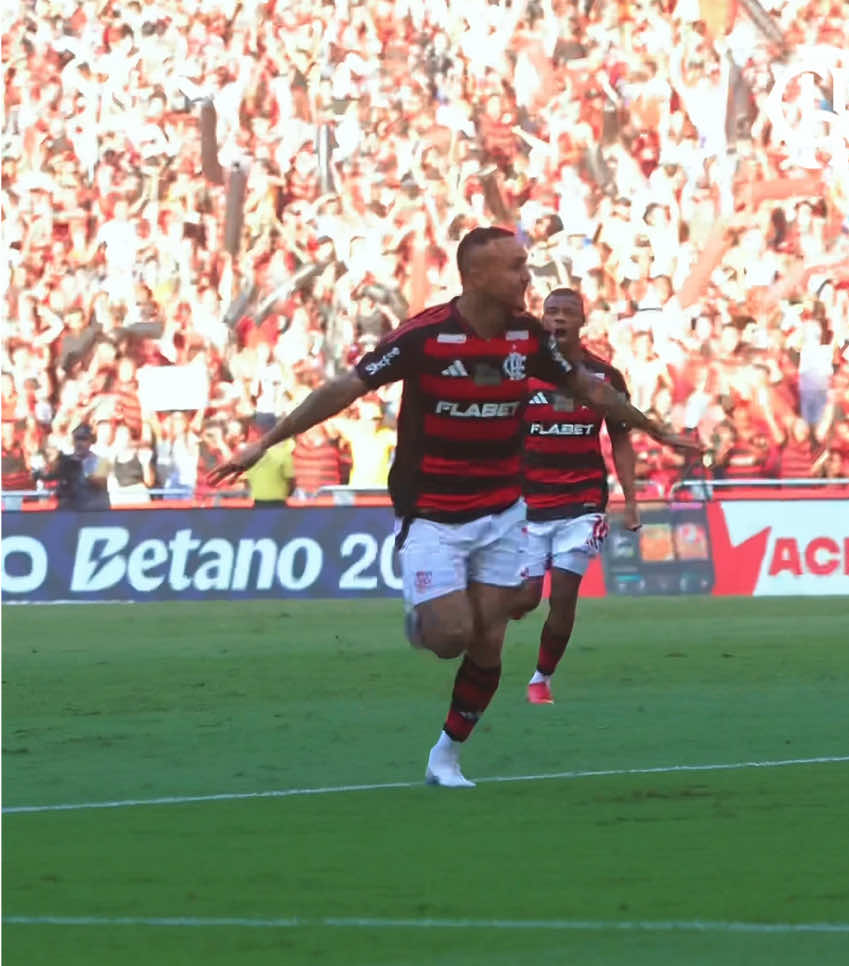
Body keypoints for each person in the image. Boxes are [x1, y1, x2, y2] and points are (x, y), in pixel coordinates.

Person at [209, 226, 683, 787]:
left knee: (489, 640)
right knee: (449, 637)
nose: (526, 278)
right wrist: (266, 442)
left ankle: (446, 755)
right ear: (476, 275)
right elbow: (343, 389)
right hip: (433, 510)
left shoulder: (528, 338)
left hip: (504, 508)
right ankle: (423, 617)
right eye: (515, 267)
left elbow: (593, 391)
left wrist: (658, 430)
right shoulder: (426, 337)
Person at [514, 287, 639, 706]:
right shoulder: (519, 371)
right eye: (552, 311)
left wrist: (631, 501)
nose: (560, 318)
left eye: (568, 312)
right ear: (542, 318)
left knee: (563, 595)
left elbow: (621, 440)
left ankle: (541, 678)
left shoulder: (605, 377)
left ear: (583, 321)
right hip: (526, 503)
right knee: (525, 598)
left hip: (582, 502)